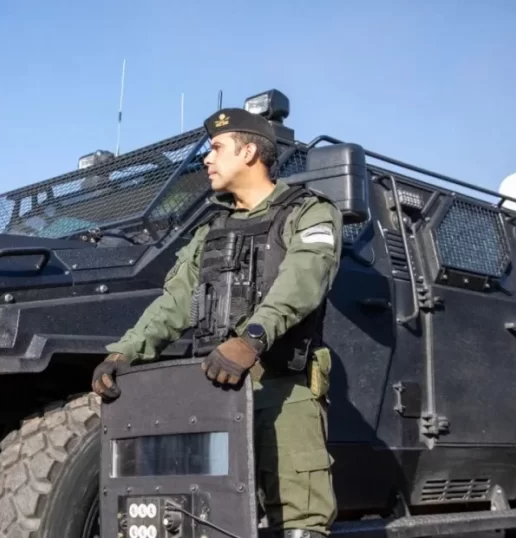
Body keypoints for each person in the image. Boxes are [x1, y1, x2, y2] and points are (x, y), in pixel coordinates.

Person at [91, 107, 343, 538]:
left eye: (217, 148)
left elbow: (303, 282)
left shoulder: (308, 212)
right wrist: (125, 352)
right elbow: (175, 303)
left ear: (249, 153)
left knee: (299, 523)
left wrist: (250, 340)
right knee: (207, 520)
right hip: (214, 394)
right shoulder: (210, 230)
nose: (207, 159)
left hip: (281, 388)